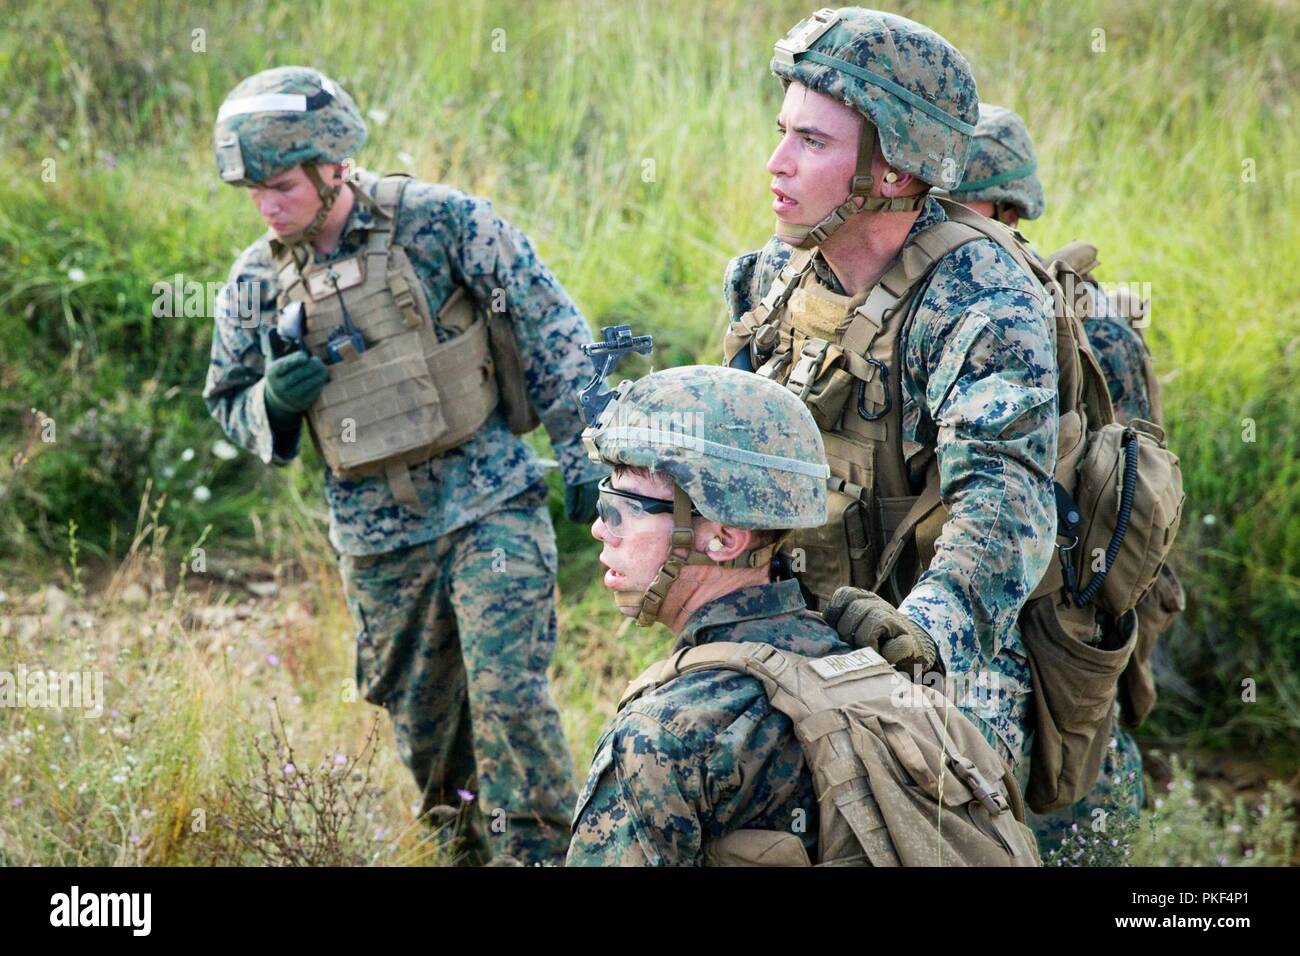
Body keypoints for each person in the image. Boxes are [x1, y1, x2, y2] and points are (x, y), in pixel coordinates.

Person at [204, 66, 604, 865]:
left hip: (490, 499)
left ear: (333, 168)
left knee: (510, 701)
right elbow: (229, 401)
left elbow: (548, 323)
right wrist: (274, 404)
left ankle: (545, 858)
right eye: (253, 191)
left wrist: (586, 448)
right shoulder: (254, 283)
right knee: (429, 737)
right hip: (379, 540)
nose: (266, 205)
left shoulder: (441, 223)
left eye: (280, 185)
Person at [721, 8, 1059, 779]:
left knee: (919, 810)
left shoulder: (980, 302)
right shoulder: (768, 278)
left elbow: (1005, 510)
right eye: (784, 132)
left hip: (947, 641)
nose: (776, 163)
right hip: (799, 617)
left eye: (811, 143)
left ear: (895, 171)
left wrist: (914, 640)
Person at [566, 365, 1037, 866]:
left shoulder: (664, 734)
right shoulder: (880, 671)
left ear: (723, 538)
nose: (600, 529)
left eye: (620, 507)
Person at [947, 102, 1185, 851]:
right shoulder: (940, 304)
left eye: (952, 203)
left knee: (1078, 789)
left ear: (1005, 208)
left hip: (1061, 620)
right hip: (971, 626)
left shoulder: (1085, 326)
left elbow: (1133, 508)